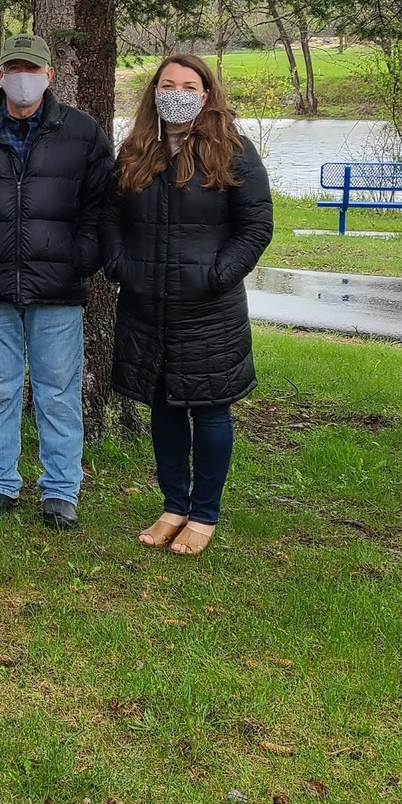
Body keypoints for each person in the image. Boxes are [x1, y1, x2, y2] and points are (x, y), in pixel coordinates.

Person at [102, 54, 273, 554]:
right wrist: (121, 266)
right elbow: (110, 219)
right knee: (164, 407)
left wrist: (217, 276)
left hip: (208, 310)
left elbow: (256, 226)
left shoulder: (233, 152)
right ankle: (174, 506)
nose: (177, 93)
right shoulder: (136, 151)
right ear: (154, 93)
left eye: (188, 86)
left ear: (206, 95)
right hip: (146, 306)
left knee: (210, 409)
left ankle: (204, 515)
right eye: (167, 85)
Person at [0, 33, 114, 531]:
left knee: (58, 393)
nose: (22, 78)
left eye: (31, 69)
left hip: (58, 285)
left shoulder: (82, 132)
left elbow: (102, 206)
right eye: (13, 68)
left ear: (50, 74)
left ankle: (61, 490)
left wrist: (81, 259)